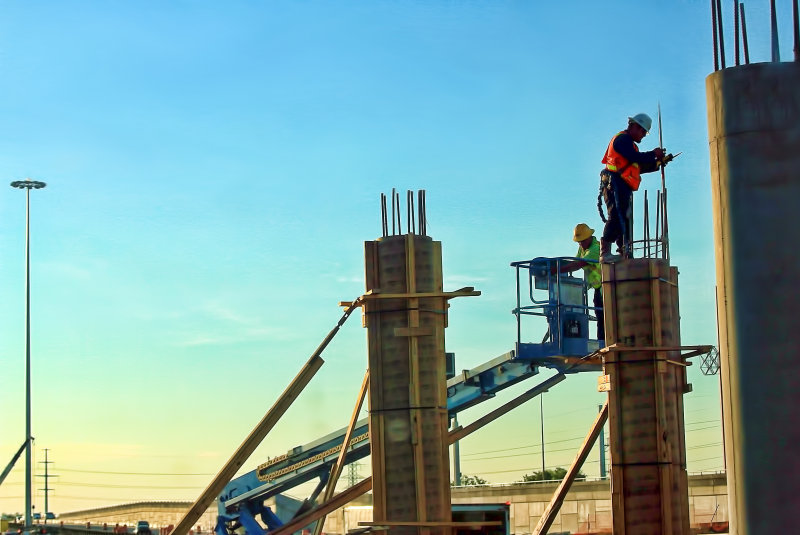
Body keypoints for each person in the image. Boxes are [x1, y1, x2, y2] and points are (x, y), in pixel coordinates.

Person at [599, 113, 666, 262]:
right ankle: (605, 252)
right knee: (616, 216)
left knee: (626, 219)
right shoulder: (622, 139)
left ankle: (624, 251)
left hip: (621, 184)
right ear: (634, 126)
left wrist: (657, 163)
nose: (643, 135)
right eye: (643, 131)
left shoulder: (630, 145)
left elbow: (636, 166)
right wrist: (653, 154)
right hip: (614, 182)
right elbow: (634, 158)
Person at [553, 223, 604, 340]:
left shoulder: (596, 248)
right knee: (600, 315)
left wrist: (555, 270)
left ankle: (604, 341)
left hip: (604, 287)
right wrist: (558, 265)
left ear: (589, 237)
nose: (580, 244)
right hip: (598, 288)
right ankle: (602, 340)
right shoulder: (583, 248)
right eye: (578, 242)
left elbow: (578, 264)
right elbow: (575, 260)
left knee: (603, 316)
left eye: (582, 241)